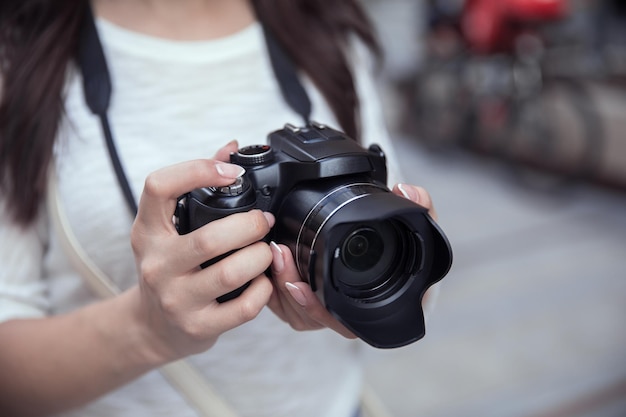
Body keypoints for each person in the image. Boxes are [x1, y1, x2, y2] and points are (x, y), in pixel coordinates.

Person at [0, 1, 440, 416]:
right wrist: (148, 328)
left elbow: (393, 238)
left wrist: (388, 282)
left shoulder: (322, 19)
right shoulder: (21, 55)